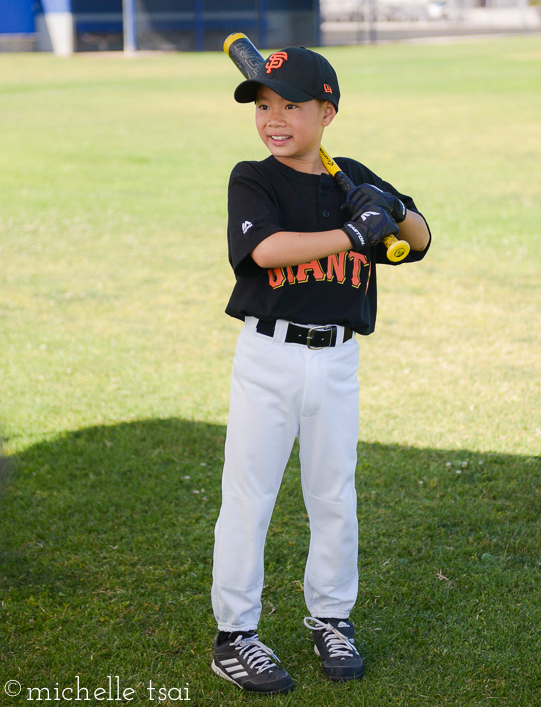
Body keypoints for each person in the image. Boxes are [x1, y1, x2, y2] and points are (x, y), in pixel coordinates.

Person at [211, 46, 431, 695]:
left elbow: (416, 240)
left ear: (326, 112)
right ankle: (236, 636)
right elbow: (265, 250)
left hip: (337, 360)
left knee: (334, 497)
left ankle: (331, 618)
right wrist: (353, 235)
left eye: (291, 106)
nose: (273, 119)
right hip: (268, 358)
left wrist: (388, 207)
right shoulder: (254, 178)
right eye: (263, 106)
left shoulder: (352, 176)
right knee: (249, 499)